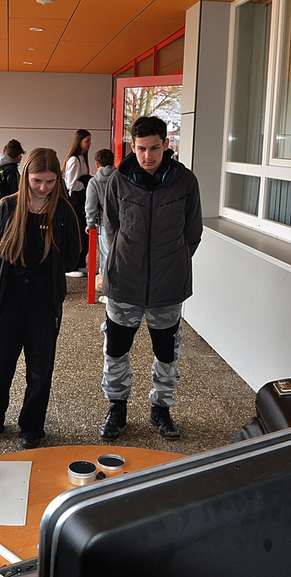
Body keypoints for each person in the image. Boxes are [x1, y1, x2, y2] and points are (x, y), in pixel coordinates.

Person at [99, 116, 202, 441]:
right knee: (116, 350)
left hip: (167, 287)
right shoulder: (119, 180)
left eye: (155, 148)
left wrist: (173, 263)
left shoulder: (185, 182)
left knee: (167, 352)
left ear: (166, 144)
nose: (148, 156)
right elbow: (110, 227)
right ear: (133, 146)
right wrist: (119, 262)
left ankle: (162, 409)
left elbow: (193, 231)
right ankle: (117, 407)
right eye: (141, 149)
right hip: (124, 285)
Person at [0, 148, 80, 450]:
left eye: (50, 182)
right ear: (26, 178)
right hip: (8, 301)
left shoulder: (63, 211)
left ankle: (32, 427)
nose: (43, 188)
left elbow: (74, 258)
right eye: (37, 181)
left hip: (44, 304)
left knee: (40, 370)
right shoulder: (8, 208)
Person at [84, 148, 118, 303]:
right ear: (113, 161)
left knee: (106, 257)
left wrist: (90, 223)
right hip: (123, 224)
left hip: (105, 225)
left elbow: (90, 206)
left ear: (96, 164)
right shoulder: (121, 178)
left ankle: (109, 293)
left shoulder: (94, 182)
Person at [64, 129, 92, 277]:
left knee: (83, 232)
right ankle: (71, 266)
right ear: (79, 141)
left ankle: (80, 262)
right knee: (77, 232)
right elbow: (71, 184)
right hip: (75, 200)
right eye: (87, 141)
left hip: (82, 199)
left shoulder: (82, 158)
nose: (89, 144)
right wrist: (86, 183)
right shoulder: (74, 160)